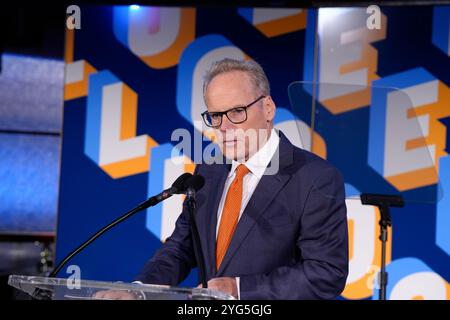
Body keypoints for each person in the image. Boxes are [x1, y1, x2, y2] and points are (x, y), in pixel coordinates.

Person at [96, 58, 348, 300]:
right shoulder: (209, 172)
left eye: (237, 111)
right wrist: (138, 290)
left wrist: (238, 289)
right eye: (216, 116)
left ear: (268, 108)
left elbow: (326, 273)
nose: (224, 127)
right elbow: (181, 249)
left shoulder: (315, 178)